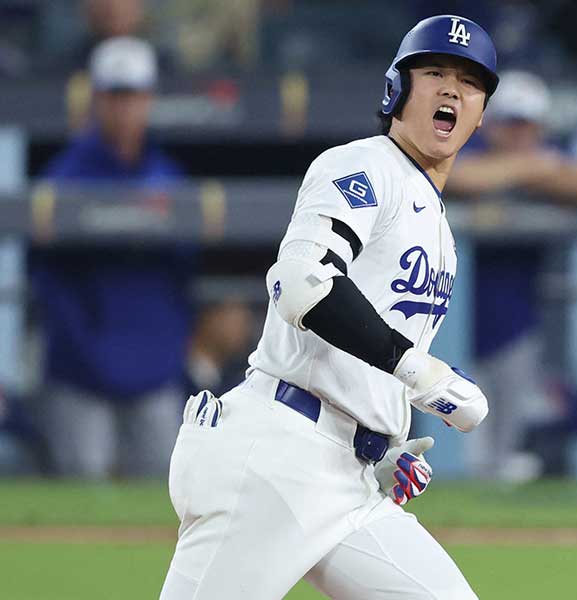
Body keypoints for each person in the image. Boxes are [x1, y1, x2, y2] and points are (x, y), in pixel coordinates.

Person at [161, 15, 496, 599]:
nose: (451, 89)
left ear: (481, 112)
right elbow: (301, 283)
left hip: (350, 479)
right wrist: (420, 373)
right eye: (435, 72)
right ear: (397, 89)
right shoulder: (364, 165)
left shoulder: (436, 220)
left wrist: (382, 446)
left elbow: (366, 350)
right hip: (277, 458)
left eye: (469, 82)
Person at [34, 37, 188, 479]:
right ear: (96, 100)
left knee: (167, 497)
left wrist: (169, 347)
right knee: (80, 501)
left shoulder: (168, 178)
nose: (124, 109)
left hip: (155, 368)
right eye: (114, 96)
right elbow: (47, 282)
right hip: (79, 372)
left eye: (133, 96)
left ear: (148, 100)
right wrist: (85, 352)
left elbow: (182, 275)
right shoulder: (62, 178)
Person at [446, 70, 577, 480]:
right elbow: (458, 176)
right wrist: (530, 167)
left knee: (502, 457)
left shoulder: (546, 160)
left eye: (528, 124)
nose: (519, 133)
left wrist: (523, 168)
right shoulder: (466, 147)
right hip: (447, 322)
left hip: (515, 326)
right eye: (510, 123)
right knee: (453, 455)